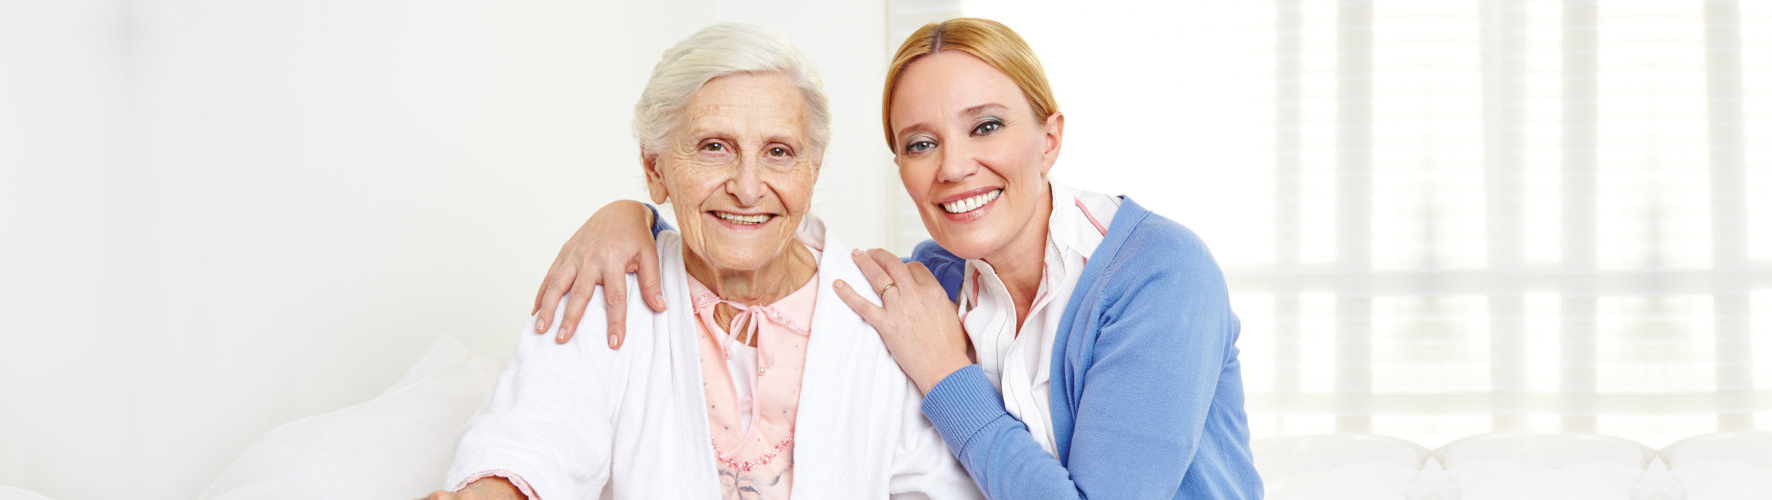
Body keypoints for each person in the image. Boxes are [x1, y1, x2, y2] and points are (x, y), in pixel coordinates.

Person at [526, 18, 1263, 499]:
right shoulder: (928, 283)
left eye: (987, 126)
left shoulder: (1160, 276)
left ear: (1051, 138)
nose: (955, 167)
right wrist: (629, 217)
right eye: (920, 143)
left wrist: (949, 377)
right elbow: (770, 231)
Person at [420, 23, 979, 500]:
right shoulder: (608, 285)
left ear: (813, 171)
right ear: (655, 168)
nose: (748, 187)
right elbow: (530, 438)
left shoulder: (887, 310)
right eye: (714, 147)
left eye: (779, 153)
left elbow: (936, 485)